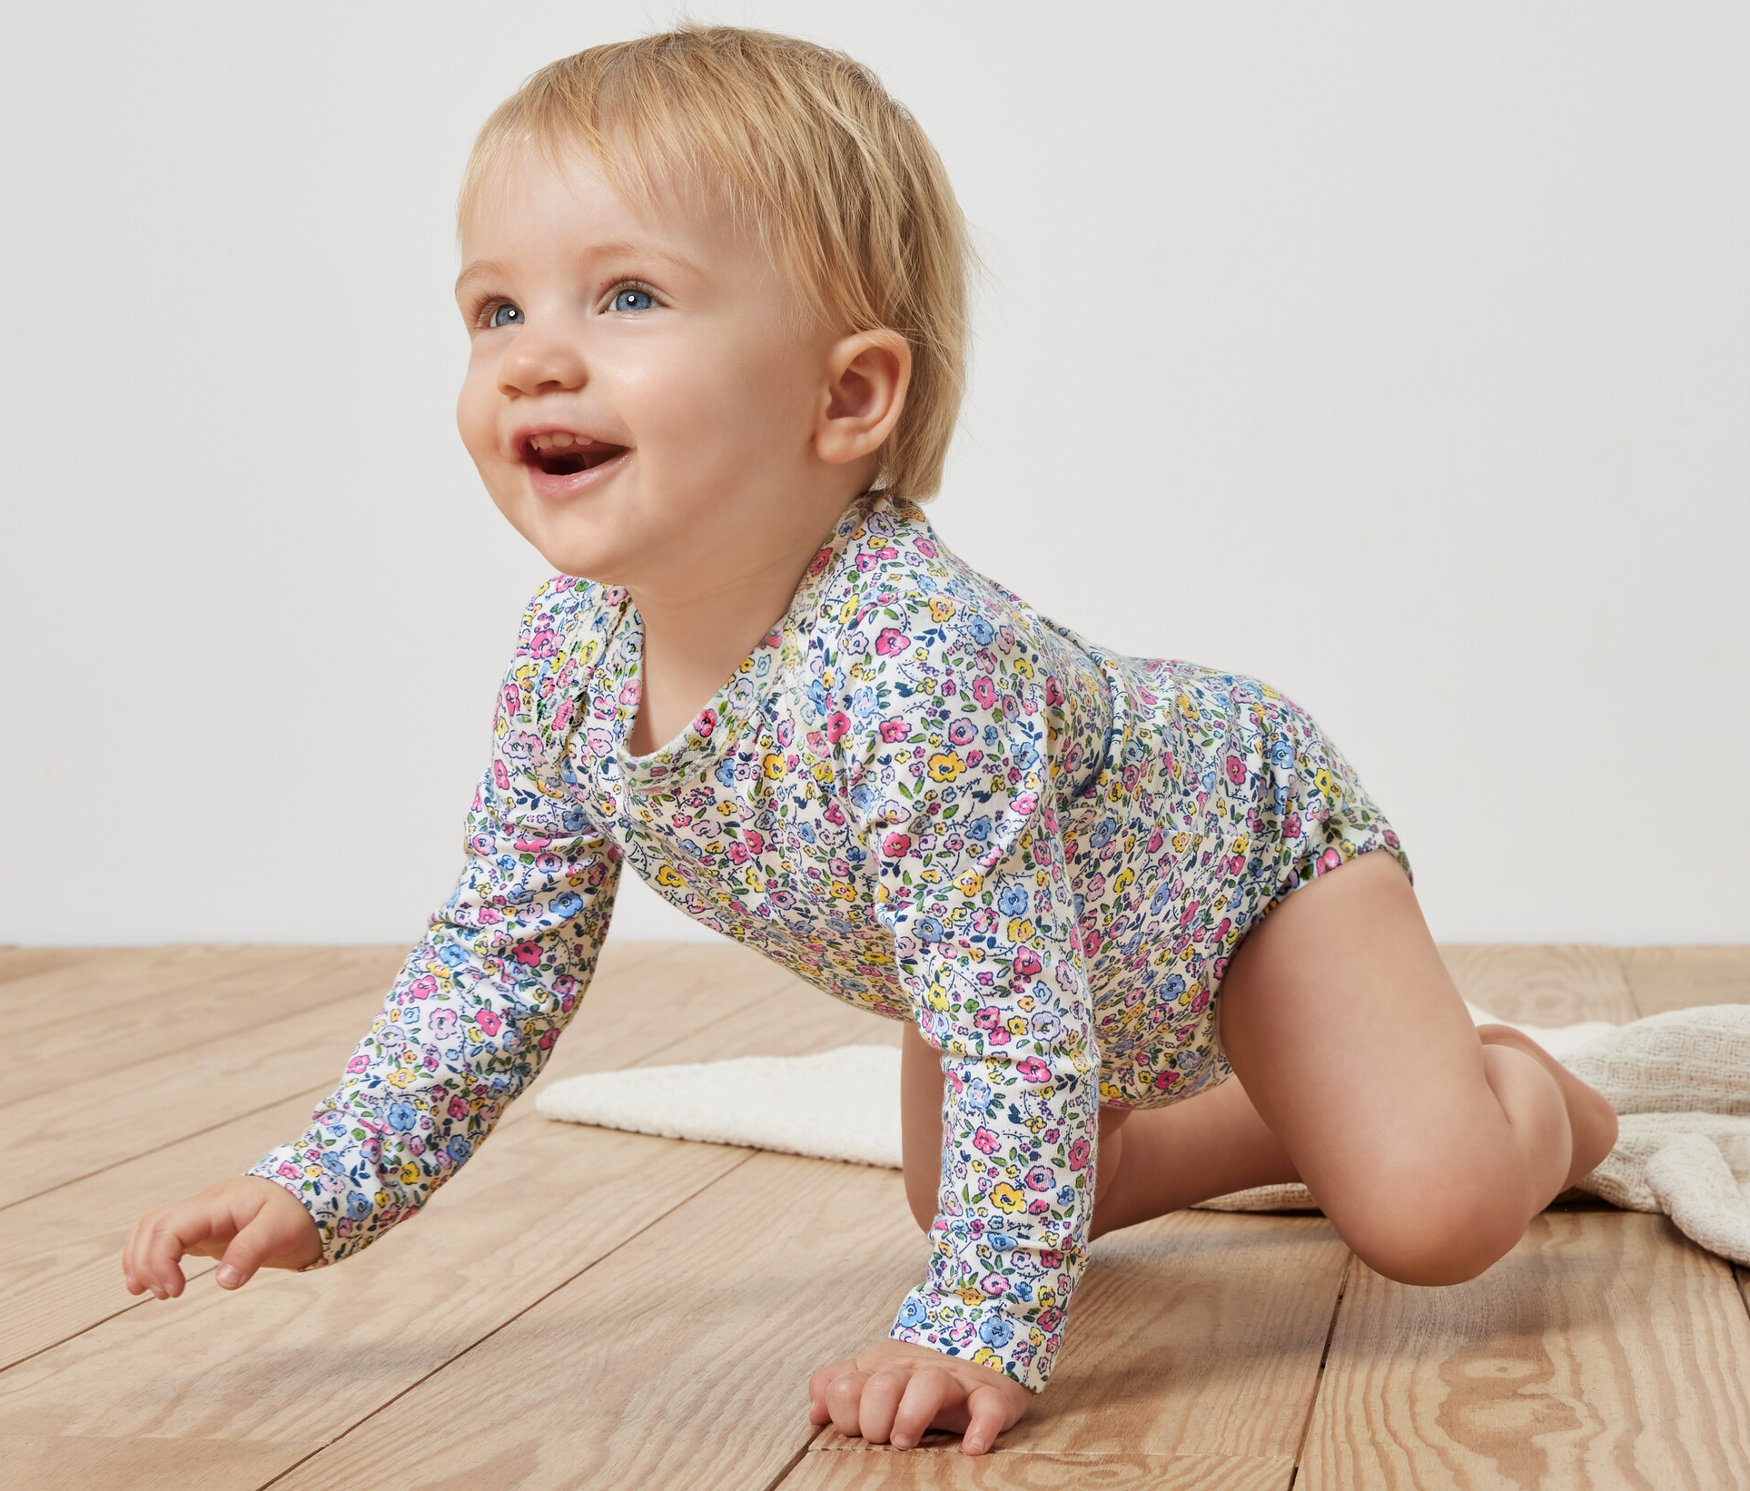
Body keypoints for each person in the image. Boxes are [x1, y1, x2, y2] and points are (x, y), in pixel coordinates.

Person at [121, 24, 1618, 1457]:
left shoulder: (914, 664)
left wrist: (975, 1329)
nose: (531, 358)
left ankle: (1525, 1092)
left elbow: (1006, 1023)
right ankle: (1306, 1099)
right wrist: (318, 1187)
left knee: (1427, 1213)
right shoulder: (567, 659)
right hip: (1032, 960)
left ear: (846, 395)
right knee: (976, 1192)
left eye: (626, 297)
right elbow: (499, 955)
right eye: (495, 309)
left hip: (1238, 865)